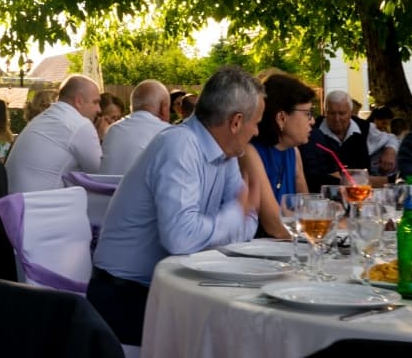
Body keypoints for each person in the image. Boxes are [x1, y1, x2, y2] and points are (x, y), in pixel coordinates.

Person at [88, 66, 263, 345]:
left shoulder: (227, 153)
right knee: (237, 338)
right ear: (236, 122)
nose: (256, 131)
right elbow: (181, 238)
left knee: (247, 329)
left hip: (172, 290)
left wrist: (230, 220)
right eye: (256, 122)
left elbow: (248, 223)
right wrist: (232, 216)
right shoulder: (179, 146)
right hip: (123, 299)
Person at [5, 75, 102, 194]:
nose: (99, 110)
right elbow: (102, 174)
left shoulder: (47, 117)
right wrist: (105, 137)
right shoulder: (79, 124)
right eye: (95, 102)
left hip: (15, 201)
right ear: (79, 101)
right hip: (38, 203)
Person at [298, 90, 386, 190]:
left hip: (360, 190)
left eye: (342, 113)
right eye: (332, 113)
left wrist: (390, 150)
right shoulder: (313, 133)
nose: (337, 118)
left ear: (350, 113)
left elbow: (390, 138)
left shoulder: (364, 127)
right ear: (325, 112)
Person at [249, 72, 313, 202]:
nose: (312, 121)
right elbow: (270, 215)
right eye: (307, 114)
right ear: (281, 118)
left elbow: (306, 206)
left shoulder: (293, 152)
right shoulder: (251, 153)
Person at [99, 79, 170, 175]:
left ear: (131, 107)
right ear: (164, 108)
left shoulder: (113, 130)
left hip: (107, 185)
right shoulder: (168, 133)